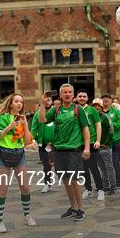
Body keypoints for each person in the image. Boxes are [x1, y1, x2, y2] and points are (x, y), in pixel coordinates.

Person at [0, 94, 35, 233]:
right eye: (17, 101)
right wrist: (9, 126)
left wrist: (25, 125)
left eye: (21, 102)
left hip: (19, 154)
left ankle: (27, 215)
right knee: (3, 188)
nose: (20, 104)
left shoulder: (23, 118)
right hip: (3, 155)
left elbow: (27, 141)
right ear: (10, 103)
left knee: (25, 187)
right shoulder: (2, 118)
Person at [38, 84, 90, 221]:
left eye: (70, 92)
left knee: (75, 180)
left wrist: (87, 148)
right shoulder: (56, 110)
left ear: (73, 95)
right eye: (65, 92)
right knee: (66, 180)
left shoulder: (78, 109)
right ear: (60, 95)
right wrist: (42, 104)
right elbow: (42, 120)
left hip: (74, 150)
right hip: (58, 150)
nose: (67, 94)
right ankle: (73, 207)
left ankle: (81, 209)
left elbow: (85, 129)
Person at [77, 90, 105, 201]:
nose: (82, 98)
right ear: (76, 98)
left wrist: (98, 140)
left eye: (84, 96)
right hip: (80, 143)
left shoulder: (92, 110)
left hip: (92, 142)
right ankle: (88, 189)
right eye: (80, 96)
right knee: (83, 168)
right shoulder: (75, 110)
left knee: (93, 167)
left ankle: (100, 189)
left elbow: (98, 126)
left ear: (87, 98)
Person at [31, 95, 55, 193]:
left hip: (57, 144)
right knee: (46, 165)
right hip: (43, 144)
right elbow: (33, 127)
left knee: (62, 164)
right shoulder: (37, 114)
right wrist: (33, 139)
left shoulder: (57, 112)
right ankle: (47, 183)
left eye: (49, 100)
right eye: (45, 100)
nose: (47, 101)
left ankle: (70, 182)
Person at [102, 94, 120, 188]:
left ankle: (118, 182)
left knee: (115, 163)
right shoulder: (99, 112)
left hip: (114, 141)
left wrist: (109, 124)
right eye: (104, 98)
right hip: (103, 142)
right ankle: (105, 183)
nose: (105, 100)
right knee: (103, 165)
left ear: (111, 101)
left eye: (108, 98)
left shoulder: (116, 112)